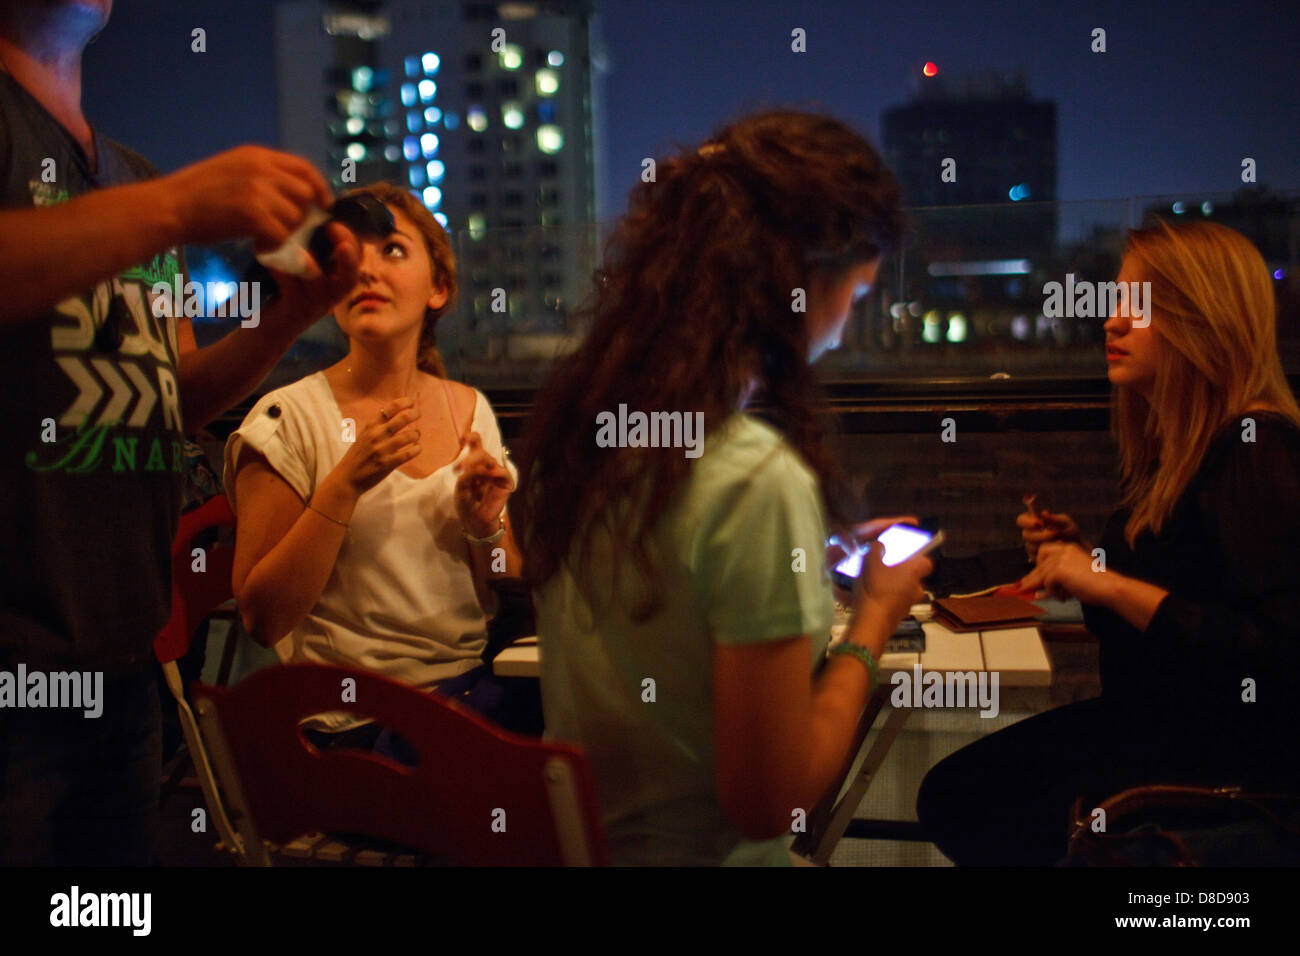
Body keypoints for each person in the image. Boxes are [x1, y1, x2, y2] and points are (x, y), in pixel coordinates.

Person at [514, 110, 932, 866]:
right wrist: (872, 624)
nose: (839, 333)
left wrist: (806, 553)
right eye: (855, 299)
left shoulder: (580, 441)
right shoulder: (753, 481)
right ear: (801, 283)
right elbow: (772, 802)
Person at [0, 0, 361, 865]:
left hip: (123, 655)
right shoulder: (150, 200)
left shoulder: (129, 178)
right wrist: (174, 207)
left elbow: (169, 404)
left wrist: (279, 325)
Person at [916, 220, 1300, 865]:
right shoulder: (1174, 453)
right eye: (1115, 303)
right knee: (960, 795)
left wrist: (1113, 583)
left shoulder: (1255, 450)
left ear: (1202, 319)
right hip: (1157, 728)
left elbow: (1276, 652)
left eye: (1137, 307)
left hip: (1214, 755)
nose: (1111, 323)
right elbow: (1145, 617)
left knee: (965, 799)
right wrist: (1083, 563)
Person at [224, 182, 521, 755]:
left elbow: (506, 573)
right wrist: (345, 485)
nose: (367, 269)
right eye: (350, 256)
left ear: (439, 288)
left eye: (392, 250)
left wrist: (486, 527)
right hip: (351, 724)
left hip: (461, 696)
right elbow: (262, 618)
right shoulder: (288, 417)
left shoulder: (469, 408)